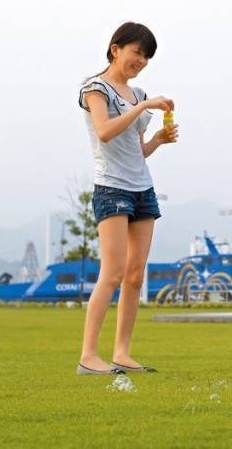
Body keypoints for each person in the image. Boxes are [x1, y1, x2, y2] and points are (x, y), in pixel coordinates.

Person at [76, 22, 178, 375]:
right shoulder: (95, 88)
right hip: (112, 188)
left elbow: (136, 152)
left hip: (141, 189)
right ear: (116, 48)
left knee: (135, 276)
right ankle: (89, 356)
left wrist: (158, 141)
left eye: (147, 56)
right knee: (113, 273)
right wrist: (144, 105)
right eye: (137, 52)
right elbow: (104, 132)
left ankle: (122, 353)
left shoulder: (137, 94)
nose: (142, 60)